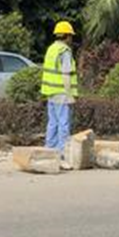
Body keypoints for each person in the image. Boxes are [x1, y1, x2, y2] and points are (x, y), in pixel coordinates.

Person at [41, 20, 78, 156]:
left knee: (52, 122)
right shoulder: (65, 51)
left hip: (50, 92)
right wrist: (69, 95)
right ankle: (62, 152)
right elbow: (66, 74)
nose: (71, 38)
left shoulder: (51, 49)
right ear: (67, 36)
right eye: (71, 35)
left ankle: (49, 149)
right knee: (64, 123)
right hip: (62, 92)